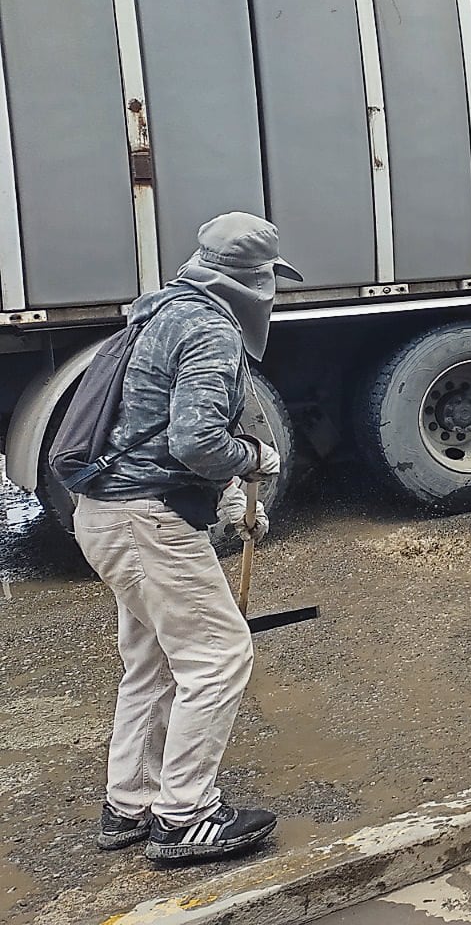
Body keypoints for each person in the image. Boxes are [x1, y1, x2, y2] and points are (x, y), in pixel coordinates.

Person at [72, 213, 298, 863]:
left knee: (154, 662)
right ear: (252, 279)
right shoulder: (209, 328)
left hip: (110, 512)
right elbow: (196, 439)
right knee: (219, 657)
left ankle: (131, 804)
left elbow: (155, 423)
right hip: (147, 520)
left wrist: (233, 505)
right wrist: (253, 455)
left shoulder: (162, 313)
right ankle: (185, 816)